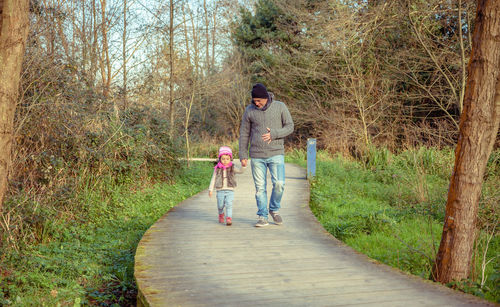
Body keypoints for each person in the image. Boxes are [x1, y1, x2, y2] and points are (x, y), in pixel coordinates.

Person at [239, 83, 294, 227]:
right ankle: (262, 216)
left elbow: (290, 126)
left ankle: (274, 210)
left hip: (276, 153)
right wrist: (243, 154)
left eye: (259, 101)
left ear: (266, 98)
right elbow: (244, 134)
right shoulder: (249, 110)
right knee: (260, 189)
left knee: (279, 184)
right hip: (256, 155)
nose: (256, 103)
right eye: (254, 101)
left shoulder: (280, 107)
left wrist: (274, 134)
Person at [208, 146, 245, 226]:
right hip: (220, 190)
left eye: (227, 159)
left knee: (229, 204)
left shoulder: (232, 167)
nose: (225, 161)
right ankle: (221, 214)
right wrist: (210, 189)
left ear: (230, 159)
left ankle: (229, 218)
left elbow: (240, 171)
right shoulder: (217, 169)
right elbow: (213, 179)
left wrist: (243, 166)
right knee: (220, 205)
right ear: (220, 159)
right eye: (223, 159)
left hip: (229, 190)